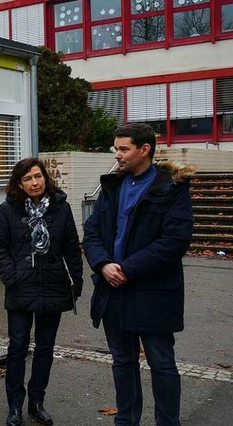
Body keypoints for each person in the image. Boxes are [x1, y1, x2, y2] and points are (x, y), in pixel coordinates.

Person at [83, 123, 194, 426]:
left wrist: (127, 269)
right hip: (113, 291)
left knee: (162, 364)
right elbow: (92, 232)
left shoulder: (172, 188)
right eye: (115, 148)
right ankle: (126, 422)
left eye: (123, 149)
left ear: (144, 150)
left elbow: (174, 242)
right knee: (123, 362)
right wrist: (103, 264)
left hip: (153, 293)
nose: (117, 155)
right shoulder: (112, 186)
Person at [0, 157, 83, 426]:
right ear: (19, 183)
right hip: (21, 286)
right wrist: (11, 275)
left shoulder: (61, 208)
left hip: (53, 285)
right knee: (17, 346)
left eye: (38, 176)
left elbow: (71, 247)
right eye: (28, 178)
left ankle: (37, 402)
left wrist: (75, 283)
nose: (34, 182)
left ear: (46, 177)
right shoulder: (7, 210)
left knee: (45, 348)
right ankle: (14, 406)